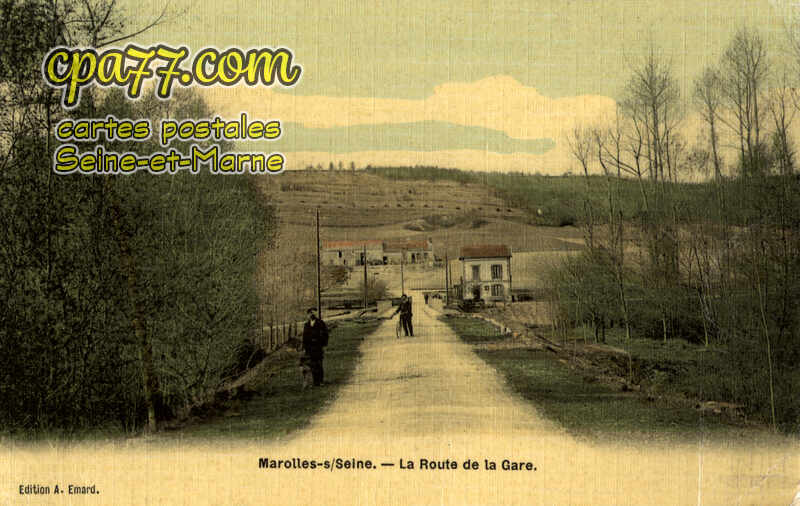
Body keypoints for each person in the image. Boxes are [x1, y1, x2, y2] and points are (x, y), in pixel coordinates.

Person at [302, 307, 329, 386]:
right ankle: (315, 381)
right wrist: (304, 347)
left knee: (319, 364)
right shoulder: (306, 325)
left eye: (312, 313)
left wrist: (324, 344)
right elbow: (304, 337)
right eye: (309, 313)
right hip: (310, 348)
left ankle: (320, 381)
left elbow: (325, 334)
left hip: (318, 346)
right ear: (307, 315)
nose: (311, 315)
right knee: (312, 364)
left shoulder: (320, 323)